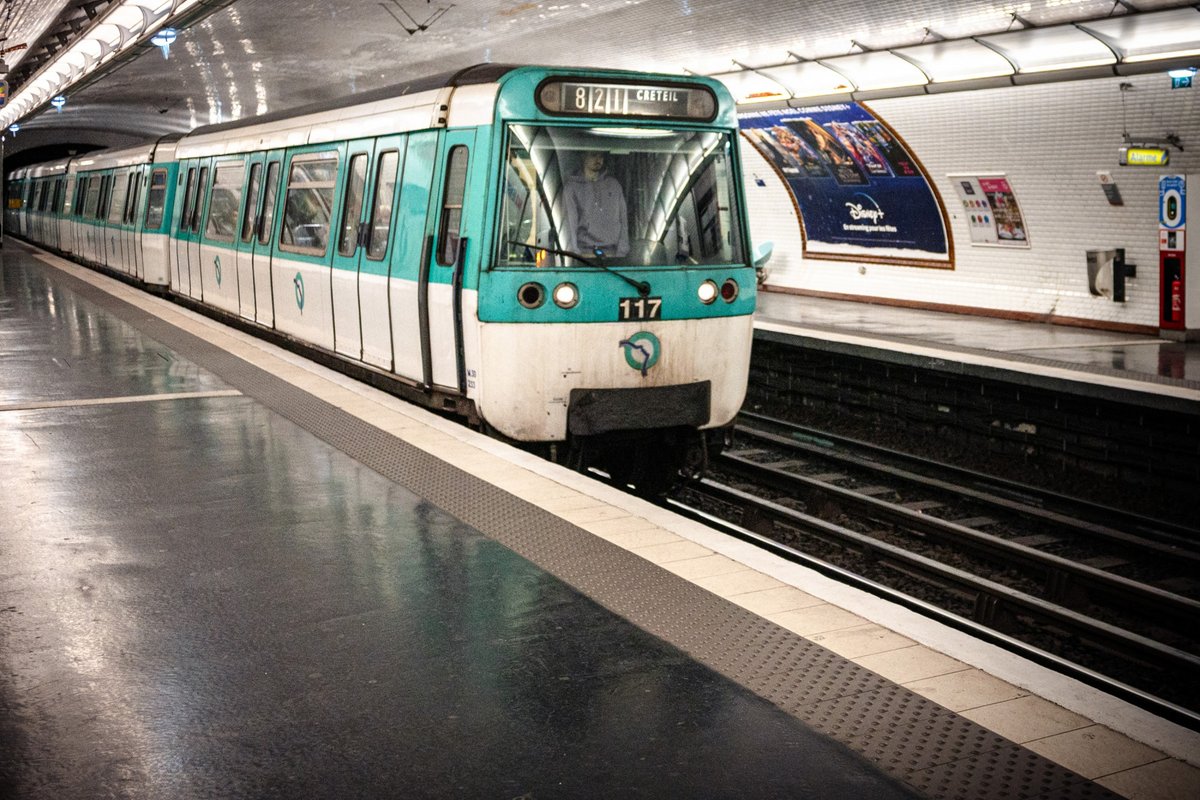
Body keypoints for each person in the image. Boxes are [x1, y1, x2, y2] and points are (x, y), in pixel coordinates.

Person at [562, 150, 628, 258]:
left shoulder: (614, 185)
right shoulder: (571, 188)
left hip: (614, 254)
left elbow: (623, 221)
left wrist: (621, 253)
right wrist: (574, 256)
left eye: (601, 156)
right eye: (593, 155)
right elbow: (570, 225)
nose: (598, 159)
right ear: (583, 156)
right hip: (585, 255)